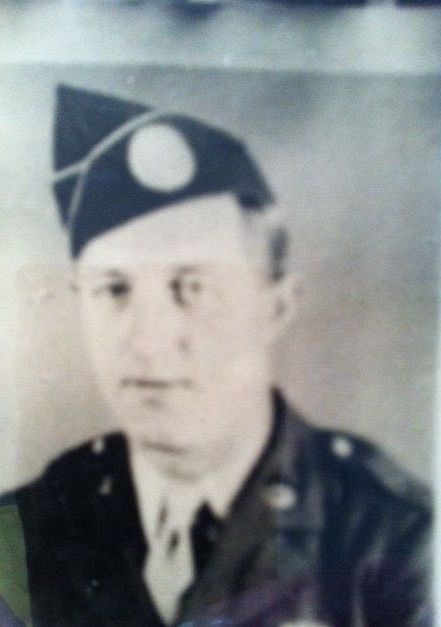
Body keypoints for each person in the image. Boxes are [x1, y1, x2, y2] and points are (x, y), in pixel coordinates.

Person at [1, 85, 432, 627]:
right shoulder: (24, 529)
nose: (149, 339)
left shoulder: (394, 535)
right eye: (114, 289)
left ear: (275, 307)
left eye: (193, 287)